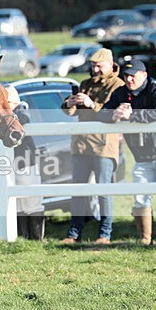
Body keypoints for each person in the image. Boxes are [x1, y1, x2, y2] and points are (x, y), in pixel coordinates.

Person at [103, 60, 156, 245]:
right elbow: (103, 112)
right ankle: (145, 239)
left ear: (144, 75)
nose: (129, 79)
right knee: (140, 194)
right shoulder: (121, 92)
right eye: (126, 75)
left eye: (133, 75)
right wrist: (113, 114)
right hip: (143, 155)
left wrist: (133, 115)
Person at [60, 48, 125, 245]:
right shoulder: (85, 84)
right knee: (78, 191)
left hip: (104, 146)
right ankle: (74, 234)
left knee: (103, 191)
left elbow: (112, 113)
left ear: (110, 64)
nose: (95, 69)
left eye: (99, 66)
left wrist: (91, 103)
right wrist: (70, 103)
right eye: (93, 65)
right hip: (81, 144)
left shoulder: (118, 85)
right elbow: (70, 112)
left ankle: (105, 234)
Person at [10, 87, 44, 241]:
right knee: (17, 204)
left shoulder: (21, 110)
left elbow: (24, 118)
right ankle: (23, 238)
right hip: (9, 164)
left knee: (32, 202)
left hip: (26, 162)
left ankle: (36, 239)